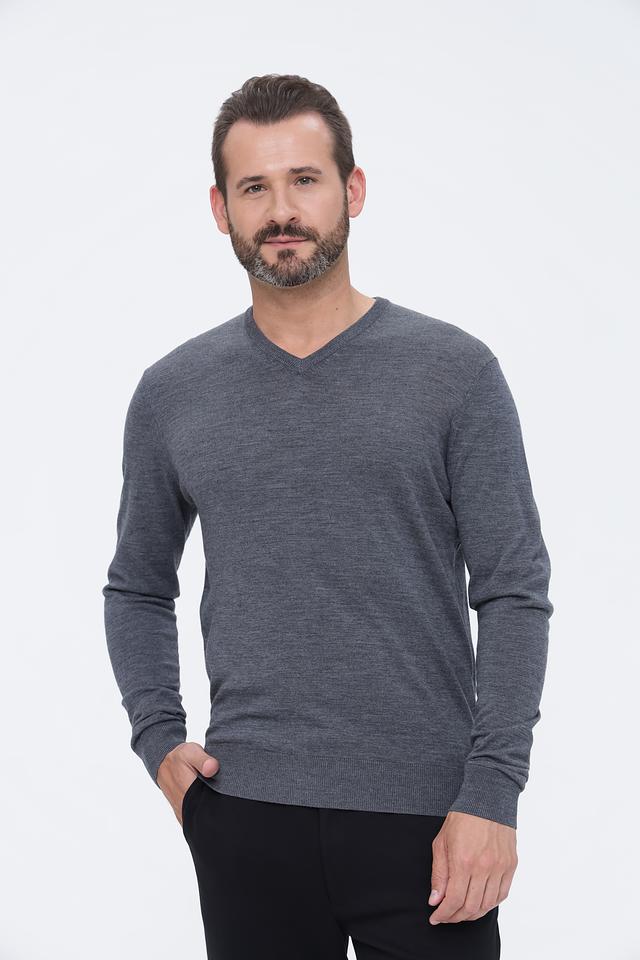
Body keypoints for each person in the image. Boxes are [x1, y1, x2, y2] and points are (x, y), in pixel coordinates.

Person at [102, 73, 553, 960]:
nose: (281, 211)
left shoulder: (455, 373)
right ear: (221, 208)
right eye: (254, 187)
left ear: (352, 189)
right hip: (246, 814)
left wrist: (493, 793)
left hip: (432, 825)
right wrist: (159, 741)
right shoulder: (173, 392)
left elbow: (513, 591)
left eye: (304, 180)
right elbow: (137, 586)